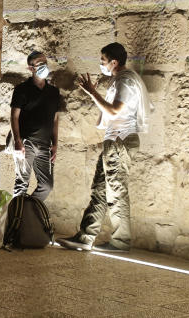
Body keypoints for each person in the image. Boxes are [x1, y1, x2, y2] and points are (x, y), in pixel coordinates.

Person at [57, 42, 150, 252]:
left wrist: (92, 92)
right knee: (99, 189)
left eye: (103, 61)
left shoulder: (125, 80)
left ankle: (121, 241)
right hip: (114, 141)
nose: (101, 64)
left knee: (116, 191)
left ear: (114, 62)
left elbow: (115, 111)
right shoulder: (121, 80)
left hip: (120, 140)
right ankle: (85, 236)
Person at [8, 51, 60, 202]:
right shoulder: (22, 90)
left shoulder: (53, 92)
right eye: (39, 63)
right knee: (22, 184)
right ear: (30, 68)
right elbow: (14, 116)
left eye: (45, 62)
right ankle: (16, 221)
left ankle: (26, 212)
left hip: (44, 146)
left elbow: (55, 119)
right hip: (26, 143)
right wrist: (17, 141)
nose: (44, 66)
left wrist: (55, 143)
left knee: (46, 185)